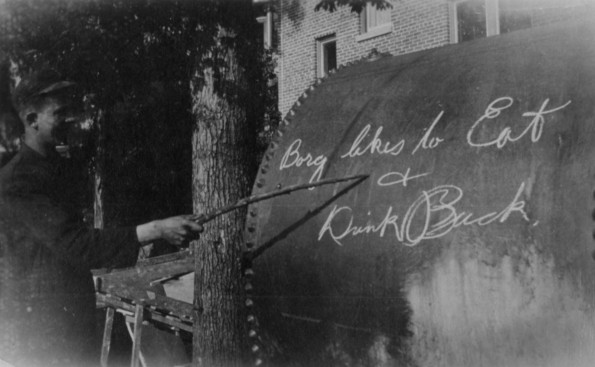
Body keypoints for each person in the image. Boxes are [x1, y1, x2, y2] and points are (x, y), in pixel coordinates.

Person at [0, 69, 203, 367]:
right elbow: (77, 244)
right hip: (39, 334)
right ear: (32, 121)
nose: (71, 119)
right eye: (60, 112)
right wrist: (157, 229)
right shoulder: (19, 181)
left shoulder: (53, 168)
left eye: (71, 110)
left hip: (68, 322)